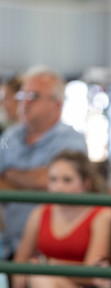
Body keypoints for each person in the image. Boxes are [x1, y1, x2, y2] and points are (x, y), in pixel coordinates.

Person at [6, 151, 111, 288]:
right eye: (53, 180)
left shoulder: (102, 216)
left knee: (42, 277)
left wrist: (49, 265)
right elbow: (20, 260)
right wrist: (22, 273)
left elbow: (92, 275)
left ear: (86, 183)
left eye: (67, 180)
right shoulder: (41, 212)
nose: (58, 187)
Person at [0, 66, 87, 261]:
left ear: (57, 105)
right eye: (23, 95)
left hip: (50, 250)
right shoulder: (10, 136)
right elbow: (45, 183)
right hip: (6, 244)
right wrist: (36, 184)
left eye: (34, 96)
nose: (25, 102)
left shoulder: (71, 140)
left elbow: (48, 181)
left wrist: (10, 175)